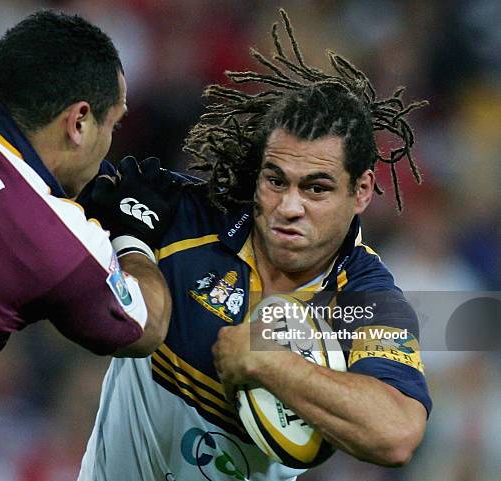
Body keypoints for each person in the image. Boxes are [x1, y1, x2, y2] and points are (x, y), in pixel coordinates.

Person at [77, 9, 431, 481]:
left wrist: (269, 362)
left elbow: (397, 434)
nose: (289, 206)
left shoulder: (364, 301)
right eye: (275, 180)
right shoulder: (181, 218)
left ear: (362, 190)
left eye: (317, 189)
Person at [0, 11, 174, 456]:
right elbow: (149, 326)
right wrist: (133, 232)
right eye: (112, 125)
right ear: (79, 121)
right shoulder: (55, 246)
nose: (110, 145)